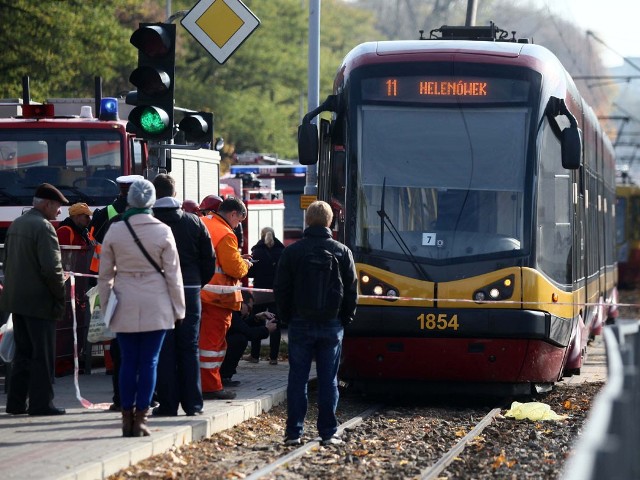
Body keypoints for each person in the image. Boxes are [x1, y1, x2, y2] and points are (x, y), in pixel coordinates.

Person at [98, 179, 185, 437]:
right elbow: (174, 275)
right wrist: (179, 309)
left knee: (127, 362)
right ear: (151, 201)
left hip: (124, 301)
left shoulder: (115, 230)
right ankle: (141, 419)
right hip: (156, 304)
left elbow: (105, 277)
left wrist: (107, 308)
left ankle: (126, 418)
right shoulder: (163, 231)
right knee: (149, 362)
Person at [273, 200, 357, 446]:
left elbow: (282, 289)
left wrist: (287, 317)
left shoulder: (292, 251)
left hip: (300, 323)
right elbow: (352, 291)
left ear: (308, 220)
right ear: (330, 221)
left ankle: (293, 433)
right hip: (331, 324)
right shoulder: (342, 251)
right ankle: (328, 433)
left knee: (297, 378)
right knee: (329, 378)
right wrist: (344, 320)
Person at [1, 183, 69, 415]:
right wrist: (60, 296)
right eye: (58, 206)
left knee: (23, 354)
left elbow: (7, 261)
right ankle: (41, 404)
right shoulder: (43, 228)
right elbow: (52, 269)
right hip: (39, 302)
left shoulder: (18, 224)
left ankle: (16, 403)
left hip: (17, 301)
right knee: (43, 356)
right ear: (47, 204)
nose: (59, 211)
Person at [152, 174, 216, 417]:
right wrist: (197, 283)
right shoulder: (195, 223)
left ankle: (168, 405)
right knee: (189, 347)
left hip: (160, 291)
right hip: (189, 291)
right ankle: (193, 405)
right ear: (175, 193)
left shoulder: (149, 222)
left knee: (165, 348)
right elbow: (208, 260)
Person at [88, 174, 144, 412]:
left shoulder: (105, 215)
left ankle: (120, 397)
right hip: (141, 292)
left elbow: (92, 239)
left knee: (117, 343)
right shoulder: (150, 220)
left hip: (109, 284)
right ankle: (143, 398)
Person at [199, 196, 251, 400]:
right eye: (239, 221)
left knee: (199, 343)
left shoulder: (203, 222)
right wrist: (246, 265)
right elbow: (234, 269)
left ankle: (201, 382)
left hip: (198, 294)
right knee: (213, 346)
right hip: (218, 299)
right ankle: (211, 386)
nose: (238, 225)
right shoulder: (226, 234)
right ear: (233, 214)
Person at [247, 226, 285, 365]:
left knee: (257, 321)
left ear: (262, 236)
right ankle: (274, 358)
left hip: (260, 292)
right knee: (275, 323)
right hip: (276, 293)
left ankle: (254, 355)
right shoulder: (282, 251)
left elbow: (250, 272)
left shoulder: (256, 252)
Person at [220, 291, 277, 384]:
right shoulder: (231, 313)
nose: (249, 312)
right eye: (249, 308)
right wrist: (266, 329)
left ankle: (224, 374)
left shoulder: (233, 312)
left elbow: (242, 326)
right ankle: (224, 375)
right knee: (240, 340)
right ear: (241, 303)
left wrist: (256, 317)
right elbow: (247, 332)